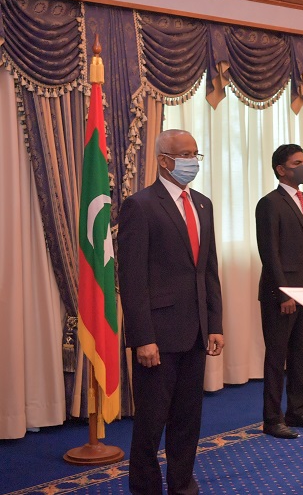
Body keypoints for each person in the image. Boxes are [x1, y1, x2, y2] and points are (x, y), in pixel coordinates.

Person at [118, 129, 224, 495]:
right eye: (185, 155)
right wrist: (143, 338)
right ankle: (145, 488)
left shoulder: (203, 204)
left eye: (196, 154)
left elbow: (208, 270)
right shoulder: (140, 205)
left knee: (187, 420)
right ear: (164, 160)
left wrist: (215, 324)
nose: (193, 161)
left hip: (196, 332)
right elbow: (132, 279)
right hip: (158, 336)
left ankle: (182, 485)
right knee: (150, 423)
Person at [256, 144, 303, 439]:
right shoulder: (269, 203)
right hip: (281, 294)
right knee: (277, 357)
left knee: (302, 353)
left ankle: (298, 411)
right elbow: (269, 253)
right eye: (297, 163)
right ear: (281, 169)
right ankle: (272, 419)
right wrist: (284, 293)